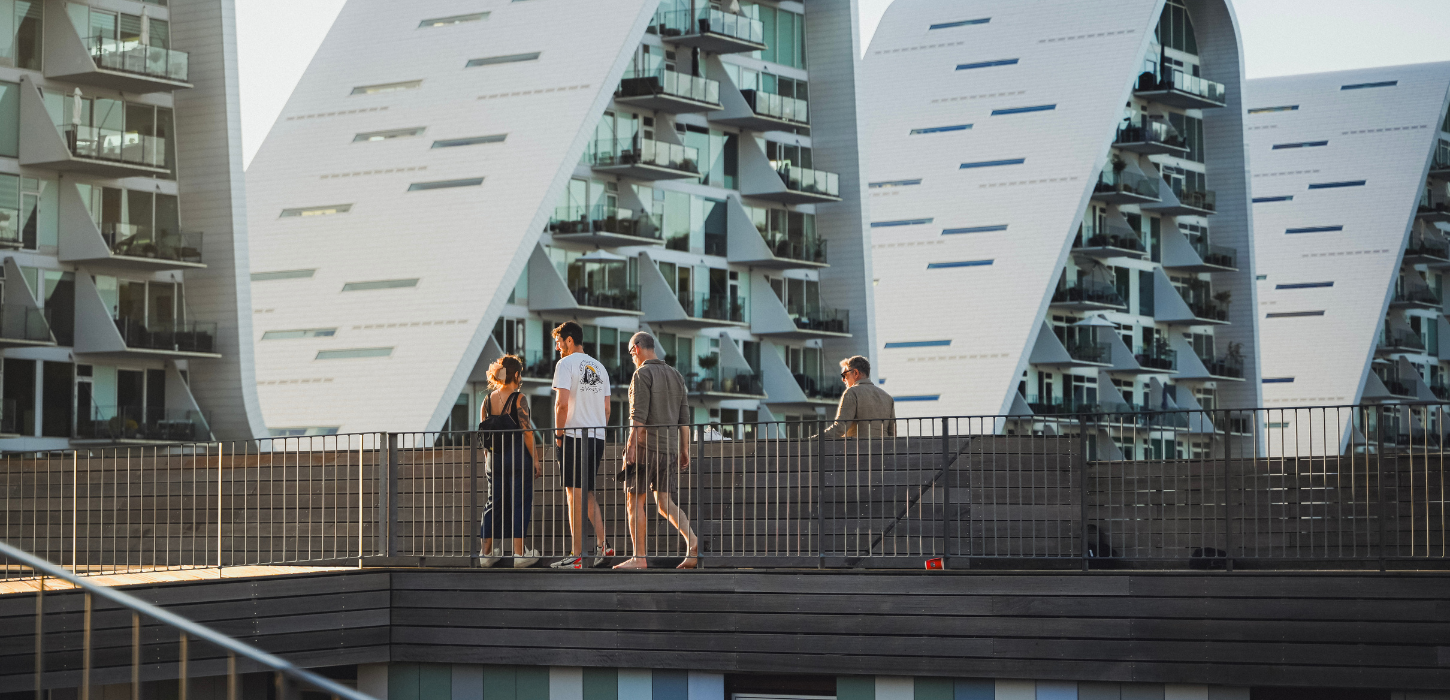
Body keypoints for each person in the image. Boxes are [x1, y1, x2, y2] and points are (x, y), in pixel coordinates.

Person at [615, 332, 699, 570]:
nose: (632, 358)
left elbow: (637, 417)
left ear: (638, 349)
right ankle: (692, 542)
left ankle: (639, 558)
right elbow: (684, 419)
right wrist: (684, 450)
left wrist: (630, 449)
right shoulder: (676, 375)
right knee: (664, 503)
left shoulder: (642, 374)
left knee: (634, 501)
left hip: (646, 448)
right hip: (670, 449)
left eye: (631, 353)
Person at [549, 321, 614, 569]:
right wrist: (598, 428)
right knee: (585, 493)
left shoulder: (565, 364)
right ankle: (603, 545)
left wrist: (558, 435)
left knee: (573, 495)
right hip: (597, 436)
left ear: (568, 340)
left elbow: (561, 405)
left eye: (559, 342)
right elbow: (607, 409)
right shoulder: (600, 367)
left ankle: (576, 556)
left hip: (574, 437)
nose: (557, 348)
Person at [478, 355, 541, 568]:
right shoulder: (519, 398)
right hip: (516, 458)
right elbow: (528, 433)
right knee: (519, 503)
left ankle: (486, 554)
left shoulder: (486, 401)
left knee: (492, 503)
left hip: (493, 459)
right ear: (516, 375)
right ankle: (519, 553)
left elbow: (483, 434)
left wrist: (488, 459)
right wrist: (536, 460)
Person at [820, 356, 896, 438]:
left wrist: (816, 438)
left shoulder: (852, 393)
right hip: (883, 449)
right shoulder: (887, 398)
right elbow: (892, 434)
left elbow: (840, 428)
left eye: (844, 375)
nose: (843, 379)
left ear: (856, 373)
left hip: (858, 449)